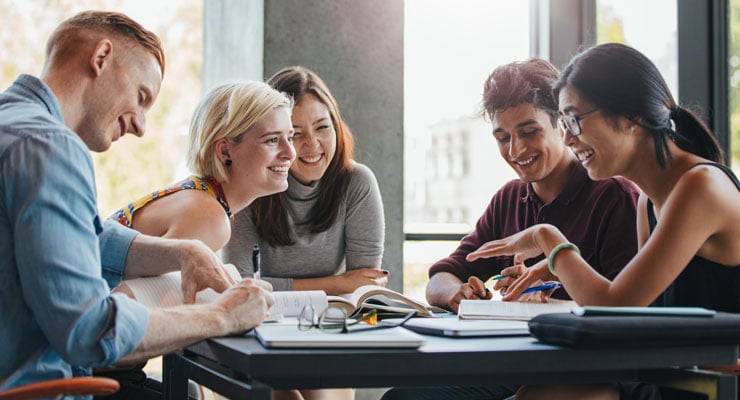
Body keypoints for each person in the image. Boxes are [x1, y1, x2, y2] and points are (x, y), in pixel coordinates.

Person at [0, 10, 273, 396]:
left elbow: (84, 238)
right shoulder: (50, 147)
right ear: (101, 58)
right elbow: (89, 330)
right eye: (141, 97)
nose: (141, 126)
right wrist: (220, 315)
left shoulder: (13, 125)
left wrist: (183, 252)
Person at [468, 43, 740, 400]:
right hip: (677, 381)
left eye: (574, 119)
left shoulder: (699, 187)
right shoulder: (649, 202)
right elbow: (634, 322)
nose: (566, 137)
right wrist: (560, 273)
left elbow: (613, 311)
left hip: (713, 388)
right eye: (563, 122)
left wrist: (548, 239)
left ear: (630, 117)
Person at [381, 58, 641, 400]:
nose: (516, 150)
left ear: (561, 125)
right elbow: (441, 277)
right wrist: (457, 294)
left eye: (529, 132)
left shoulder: (614, 196)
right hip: (515, 367)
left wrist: (553, 293)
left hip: (587, 372)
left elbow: (628, 313)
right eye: (503, 137)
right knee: (402, 398)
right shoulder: (510, 197)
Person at [223, 66, 386, 400]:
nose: (312, 144)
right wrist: (337, 283)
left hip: (333, 325)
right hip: (262, 327)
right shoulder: (251, 185)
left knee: (319, 392)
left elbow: (364, 290)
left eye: (322, 127)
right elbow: (238, 286)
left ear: (336, 126)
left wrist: (339, 289)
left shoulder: (357, 182)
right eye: (295, 133)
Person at [110, 80, 296, 253]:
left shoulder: (203, 198)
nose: (290, 153)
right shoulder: (209, 217)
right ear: (224, 151)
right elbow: (129, 288)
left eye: (290, 138)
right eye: (272, 140)